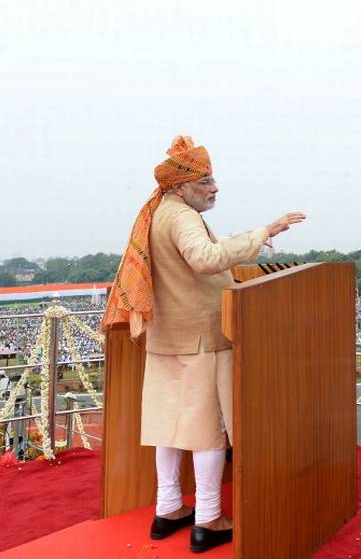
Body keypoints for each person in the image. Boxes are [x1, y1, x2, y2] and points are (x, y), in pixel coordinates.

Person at [100, 135, 305, 553]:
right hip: (201, 341)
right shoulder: (182, 218)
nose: (215, 188)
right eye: (206, 181)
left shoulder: (162, 212)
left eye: (214, 179)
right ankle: (209, 519)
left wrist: (248, 239)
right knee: (208, 430)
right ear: (180, 185)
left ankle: (168, 508)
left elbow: (201, 253)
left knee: (169, 429)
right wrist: (264, 230)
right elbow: (205, 259)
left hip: (168, 339)